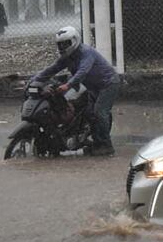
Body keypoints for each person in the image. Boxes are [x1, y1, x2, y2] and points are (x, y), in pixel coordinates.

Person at [33, 26, 120, 156]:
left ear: (74, 40)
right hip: (93, 87)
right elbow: (51, 69)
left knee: (99, 112)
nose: (62, 47)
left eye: (65, 43)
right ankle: (96, 143)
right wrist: (33, 81)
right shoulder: (67, 57)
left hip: (108, 84)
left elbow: (82, 72)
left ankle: (106, 146)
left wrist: (68, 85)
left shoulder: (86, 53)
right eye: (60, 44)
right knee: (89, 113)